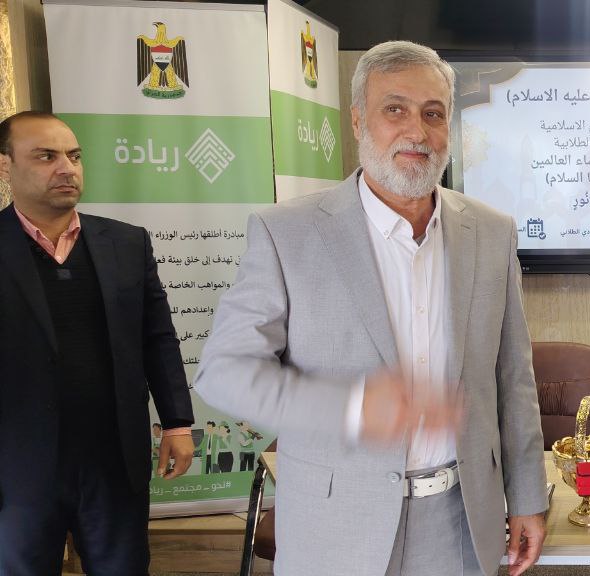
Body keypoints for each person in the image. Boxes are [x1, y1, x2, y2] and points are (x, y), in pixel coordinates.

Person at [194, 40, 546, 576]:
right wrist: (355, 408)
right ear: (358, 120)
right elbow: (223, 374)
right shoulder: (287, 233)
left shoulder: (492, 232)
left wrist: (527, 497)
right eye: (395, 109)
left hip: (461, 525)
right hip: (335, 529)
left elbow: (513, 378)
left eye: (433, 114)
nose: (417, 131)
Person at [0, 111, 195, 575]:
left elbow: (157, 337)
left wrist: (177, 423)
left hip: (113, 460)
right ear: (5, 166)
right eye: (46, 157)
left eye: (74, 156)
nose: (66, 168)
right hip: (18, 468)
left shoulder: (126, 243)